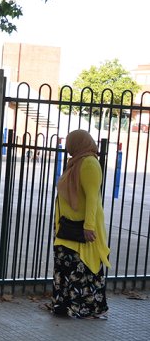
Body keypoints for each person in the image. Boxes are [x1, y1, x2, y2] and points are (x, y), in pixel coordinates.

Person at [52, 130, 110, 319]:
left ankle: (88, 308)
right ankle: (64, 306)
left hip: (82, 230)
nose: (68, 145)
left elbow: (93, 198)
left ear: (78, 143)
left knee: (84, 268)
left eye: (71, 142)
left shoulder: (89, 164)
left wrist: (89, 226)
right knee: (65, 267)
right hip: (67, 227)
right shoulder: (75, 162)